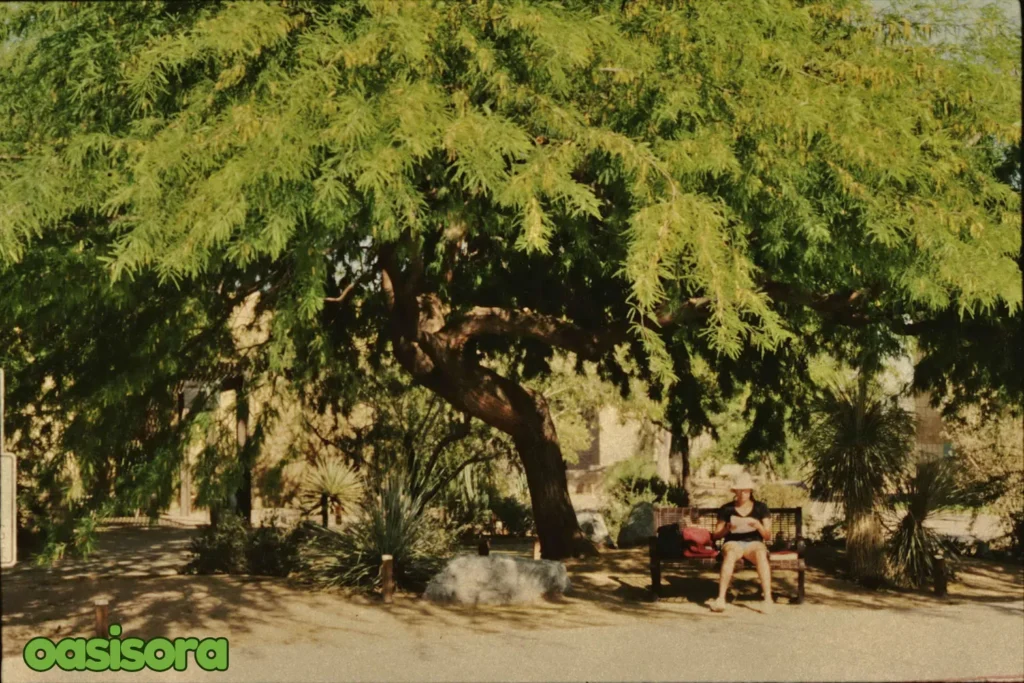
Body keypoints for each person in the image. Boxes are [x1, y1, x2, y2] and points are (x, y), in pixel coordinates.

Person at [707, 472, 773, 613]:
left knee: (761, 554)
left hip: (753, 543)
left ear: (750, 491)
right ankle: (720, 599)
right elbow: (715, 536)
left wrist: (758, 525)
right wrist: (727, 529)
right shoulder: (727, 509)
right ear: (735, 491)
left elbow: (767, 536)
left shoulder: (761, 508)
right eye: (740, 490)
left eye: (746, 490)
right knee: (730, 554)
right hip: (733, 542)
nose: (743, 493)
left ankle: (768, 599)